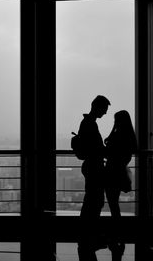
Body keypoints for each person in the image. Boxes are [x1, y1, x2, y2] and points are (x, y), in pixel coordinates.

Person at [77, 95, 111, 261]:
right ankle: (88, 236)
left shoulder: (87, 123)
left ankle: (87, 236)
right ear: (97, 107)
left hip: (91, 167)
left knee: (92, 201)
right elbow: (95, 148)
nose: (105, 113)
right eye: (104, 109)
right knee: (94, 201)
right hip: (94, 167)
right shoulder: (90, 124)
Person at [104, 110, 137, 261]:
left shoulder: (117, 135)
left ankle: (116, 231)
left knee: (112, 203)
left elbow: (108, 147)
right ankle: (117, 232)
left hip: (111, 172)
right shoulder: (129, 137)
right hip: (119, 172)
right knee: (114, 203)